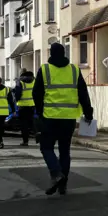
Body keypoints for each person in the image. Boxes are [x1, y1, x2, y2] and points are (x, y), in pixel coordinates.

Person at [33, 42, 94, 196]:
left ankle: (56, 174)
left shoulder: (45, 69)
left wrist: (40, 112)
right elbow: (83, 93)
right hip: (69, 118)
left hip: (50, 117)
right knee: (64, 151)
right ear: (64, 53)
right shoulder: (74, 70)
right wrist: (88, 112)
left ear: (51, 54)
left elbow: (36, 93)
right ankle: (63, 186)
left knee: (46, 147)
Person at [14, 68, 36, 146]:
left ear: (21, 74)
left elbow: (17, 94)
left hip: (22, 106)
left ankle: (25, 141)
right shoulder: (34, 80)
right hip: (32, 104)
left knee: (24, 124)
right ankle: (37, 136)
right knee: (32, 121)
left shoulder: (20, 82)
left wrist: (16, 100)